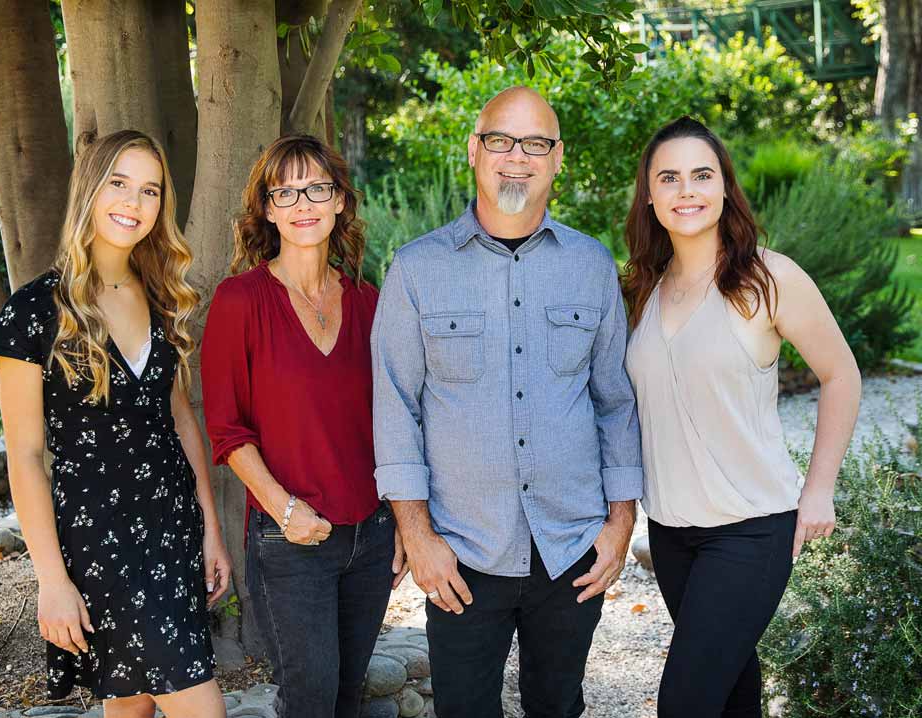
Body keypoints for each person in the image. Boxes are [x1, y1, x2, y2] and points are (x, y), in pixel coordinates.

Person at [371, 86, 643, 718]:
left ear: (557, 158)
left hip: (570, 544)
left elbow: (614, 402)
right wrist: (418, 534)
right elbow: (395, 406)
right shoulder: (416, 269)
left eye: (535, 144)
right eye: (500, 140)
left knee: (558, 706)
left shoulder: (591, 265)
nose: (516, 157)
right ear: (474, 150)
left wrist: (619, 524)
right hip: (463, 551)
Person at [0, 130, 231, 717]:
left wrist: (211, 529)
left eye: (149, 190)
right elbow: (24, 456)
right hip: (97, 540)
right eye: (118, 183)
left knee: (132, 705)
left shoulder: (164, 297)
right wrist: (51, 581)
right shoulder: (35, 310)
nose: (133, 203)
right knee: (201, 707)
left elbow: (179, 420)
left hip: (171, 530)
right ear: (89, 189)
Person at [623, 116, 862, 718]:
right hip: (672, 533)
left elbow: (842, 375)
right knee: (731, 691)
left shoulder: (767, 278)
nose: (687, 191)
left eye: (702, 175)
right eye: (669, 178)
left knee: (684, 701)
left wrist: (820, 490)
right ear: (649, 196)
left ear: (725, 187)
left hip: (751, 530)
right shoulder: (643, 289)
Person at [200, 134, 403, 718]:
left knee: (345, 696)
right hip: (288, 540)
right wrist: (286, 511)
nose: (302, 202)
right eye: (284, 192)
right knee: (309, 699)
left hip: (370, 534)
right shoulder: (241, 300)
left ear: (340, 199)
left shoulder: (369, 301)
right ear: (266, 208)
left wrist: (402, 524)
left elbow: (397, 415)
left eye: (317, 187)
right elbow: (227, 430)